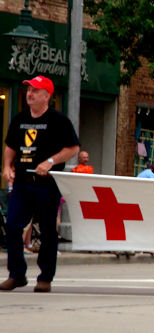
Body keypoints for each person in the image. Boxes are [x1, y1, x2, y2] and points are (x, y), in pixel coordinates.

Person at [0, 75, 79, 293]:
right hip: (23, 182)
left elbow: (73, 148)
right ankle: (16, 274)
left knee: (47, 230)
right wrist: (7, 167)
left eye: (35, 90)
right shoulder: (19, 120)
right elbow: (10, 147)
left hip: (47, 183)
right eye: (28, 90)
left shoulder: (58, 121)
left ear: (46, 96)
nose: (30, 94)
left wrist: (51, 161)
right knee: (13, 225)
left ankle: (45, 277)